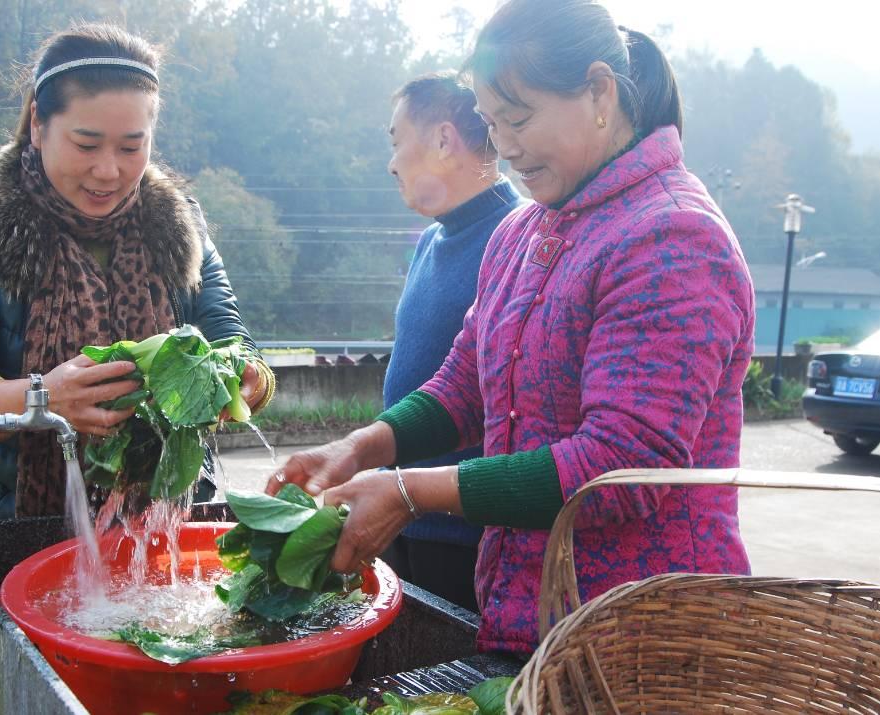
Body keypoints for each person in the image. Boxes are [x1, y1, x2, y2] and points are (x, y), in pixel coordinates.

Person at [268, 0, 754, 657]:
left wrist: (411, 492)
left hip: (641, 634)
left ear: (599, 92)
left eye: (518, 116)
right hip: (526, 610)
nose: (505, 146)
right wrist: (360, 447)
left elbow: (620, 465)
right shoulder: (520, 232)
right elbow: (462, 384)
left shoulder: (673, 237)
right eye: (492, 123)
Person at [0, 24, 275, 644]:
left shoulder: (181, 231)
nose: (109, 170)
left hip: (163, 535)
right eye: (86, 143)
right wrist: (42, 400)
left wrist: (241, 381)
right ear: (37, 125)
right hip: (10, 527)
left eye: (132, 147)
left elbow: (239, 345)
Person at [381, 71, 524, 611]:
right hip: (400, 511)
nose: (392, 162)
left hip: (467, 532)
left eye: (398, 141)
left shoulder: (515, 238)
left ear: (444, 140)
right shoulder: (431, 241)